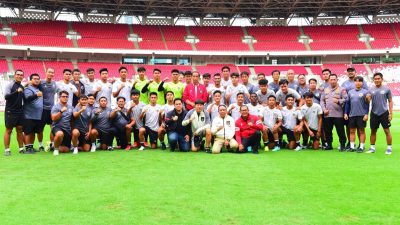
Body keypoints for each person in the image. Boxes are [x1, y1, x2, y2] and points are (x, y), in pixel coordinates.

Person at [367, 72, 393, 154]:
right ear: (373, 80)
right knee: (373, 131)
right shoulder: (370, 89)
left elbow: (390, 101)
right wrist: (367, 98)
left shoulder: (387, 89)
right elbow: (368, 101)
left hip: (384, 113)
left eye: (378, 79)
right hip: (374, 113)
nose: (377, 80)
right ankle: (372, 148)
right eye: (375, 79)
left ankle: (389, 148)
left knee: (387, 131)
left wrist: (391, 113)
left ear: (382, 79)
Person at [320, 74, 347, 151]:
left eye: (334, 79)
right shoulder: (325, 90)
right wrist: (324, 109)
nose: (332, 81)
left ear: (337, 80)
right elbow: (322, 101)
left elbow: (346, 99)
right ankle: (329, 145)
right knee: (328, 131)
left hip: (338, 115)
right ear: (329, 81)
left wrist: (339, 101)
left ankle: (342, 145)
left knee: (340, 131)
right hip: (327, 114)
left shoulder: (342, 89)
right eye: (331, 80)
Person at [344, 76, 371, 153]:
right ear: (354, 82)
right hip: (352, 115)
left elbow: (367, 104)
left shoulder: (365, 92)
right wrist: (346, 113)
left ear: (362, 83)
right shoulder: (350, 92)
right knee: (352, 131)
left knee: (361, 131)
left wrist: (366, 114)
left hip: (361, 115)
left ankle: (361, 147)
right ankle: (352, 147)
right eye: (356, 81)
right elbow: (347, 104)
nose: (358, 82)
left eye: (359, 81)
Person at [4, 70, 25, 156]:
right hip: (11, 111)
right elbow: (6, 96)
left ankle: (21, 149)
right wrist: (16, 91)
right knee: (9, 130)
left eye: (21, 75)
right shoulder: (10, 85)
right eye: (18, 74)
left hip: (20, 111)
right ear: (15, 75)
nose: (19, 76)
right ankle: (7, 150)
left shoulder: (21, 86)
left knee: (20, 129)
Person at [23, 73, 44, 154]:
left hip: (37, 115)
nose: (36, 80)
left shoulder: (38, 89)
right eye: (34, 79)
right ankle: (27, 148)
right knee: (28, 132)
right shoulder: (28, 89)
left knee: (33, 132)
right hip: (29, 115)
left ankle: (31, 147)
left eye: (38, 79)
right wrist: (36, 95)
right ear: (30, 80)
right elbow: (27, 99)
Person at [39, 67, 57, 151]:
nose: (51, 74)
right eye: (49, 72)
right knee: (40, 128)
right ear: (46, 72)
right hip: (42, 109)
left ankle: (52, 144)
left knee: (53, 127)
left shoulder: (54, 83)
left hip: (52, 109)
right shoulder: (40, 82)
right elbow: (30, 84)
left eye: (52, 72)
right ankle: (40, 145)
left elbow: (61, 91)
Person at [51, 91, 74, 155]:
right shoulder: (55, 107)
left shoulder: (71, 107)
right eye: (63, 96)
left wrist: (72, 130)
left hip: (67, 129)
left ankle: (52, 145)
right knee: (59, 134)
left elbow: (72, 120)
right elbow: (53, 118)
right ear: (59, 97)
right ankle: (55, 149)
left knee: (65, 150)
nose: (65, 98)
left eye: (66, 97)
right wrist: (61, 111)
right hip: (57, 127)